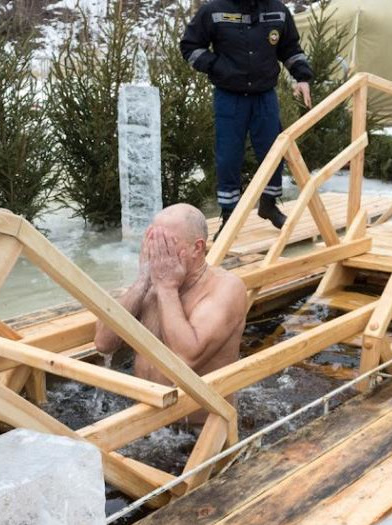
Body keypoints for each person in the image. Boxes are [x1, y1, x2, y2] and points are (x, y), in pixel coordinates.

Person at [180, 0, 314, 236]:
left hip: (265, 96)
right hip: (229, 96)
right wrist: (215, 66)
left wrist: (302, 77)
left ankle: (269, 205)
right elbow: (190, 46)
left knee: (274, 151)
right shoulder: (214, 10)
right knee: (229, 156)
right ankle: (229, 215)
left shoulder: (278, 11)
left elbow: (290, 49)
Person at [94, 204, 248, 392]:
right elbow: (103, 343)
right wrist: (142, 281)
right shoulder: (151, 284)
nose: (157, 250)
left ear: (196, 248)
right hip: (147, 413)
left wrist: (167, 288)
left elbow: (185, 359)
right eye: (153, 239)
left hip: (203, 419)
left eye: (166, 243)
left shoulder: (226, 288)